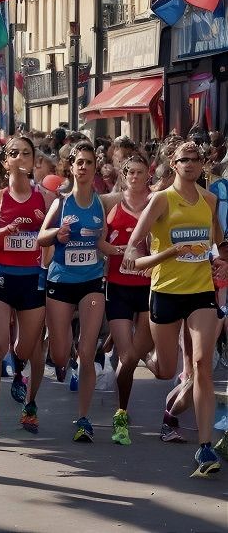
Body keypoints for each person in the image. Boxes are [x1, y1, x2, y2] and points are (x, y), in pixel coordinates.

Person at [126, 138, 226, 478]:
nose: (191, 164)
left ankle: (204, 446)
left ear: (203, 164)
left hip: (200, 292)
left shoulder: (210, 200)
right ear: (173, 162)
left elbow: (217, 244)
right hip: (166, 292)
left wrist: (222, 263)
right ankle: (145, 356)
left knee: (202, 363)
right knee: (167, 370)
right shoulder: (161, 200)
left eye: (197, 158)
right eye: (184, 159)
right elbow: (132, 253)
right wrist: (169, 253)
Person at [0, 132, 54, 440]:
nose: (21, 158)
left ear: (34, 161)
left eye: (26, 153)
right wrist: (2, 231)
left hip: (32, 278)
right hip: (0, 276)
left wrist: (48, 235)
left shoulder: (45, 199)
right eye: (15, 154)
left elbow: (53, 236)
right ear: (5, 162)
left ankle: (30, 403)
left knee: (29, 349)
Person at [39, 141, 110, 443]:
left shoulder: (101, 204)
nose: (83, 167)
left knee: (86, 351)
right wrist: (57, 234)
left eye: (88, 162)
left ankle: (83, 418)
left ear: (95, 168)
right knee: (59, 355)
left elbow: (102, 244)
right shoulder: (61, 203)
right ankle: (59, 357)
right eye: (78, 162)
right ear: (71, 167)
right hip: (60, 281)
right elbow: (42, 238)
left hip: (91, 282)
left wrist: (122, 253)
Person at [102, 151, 154, 445]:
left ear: (149, 174)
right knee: (129, 356)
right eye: (129, 172)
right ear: (123, 175)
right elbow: (97, 238)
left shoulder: (157, 202)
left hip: (149, 288)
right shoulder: (110, 202)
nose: (134, 177)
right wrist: (113, 251)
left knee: (140, 356)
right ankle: (122, 411)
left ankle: (128, 351)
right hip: (118, 286)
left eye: (139, 172)